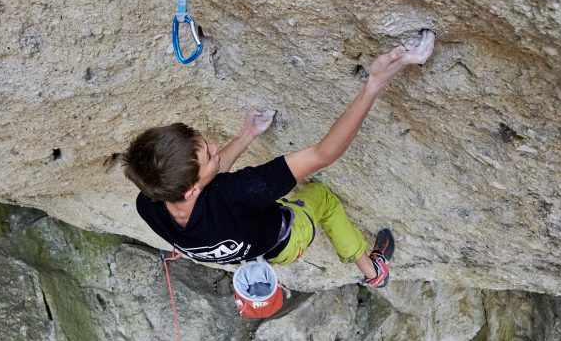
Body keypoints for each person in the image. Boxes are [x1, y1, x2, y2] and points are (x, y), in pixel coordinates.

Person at [122, 30, 435, 287]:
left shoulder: (150, 204)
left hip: (248, 245)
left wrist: (247, 135)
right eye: (210, 153)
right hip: (286, 241)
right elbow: (323, 154)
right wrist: (373, 84)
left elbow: (208, 189)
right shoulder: (240, 192)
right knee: (321, 196)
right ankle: (373, 272)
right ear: (191, 190)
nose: (216, 146)